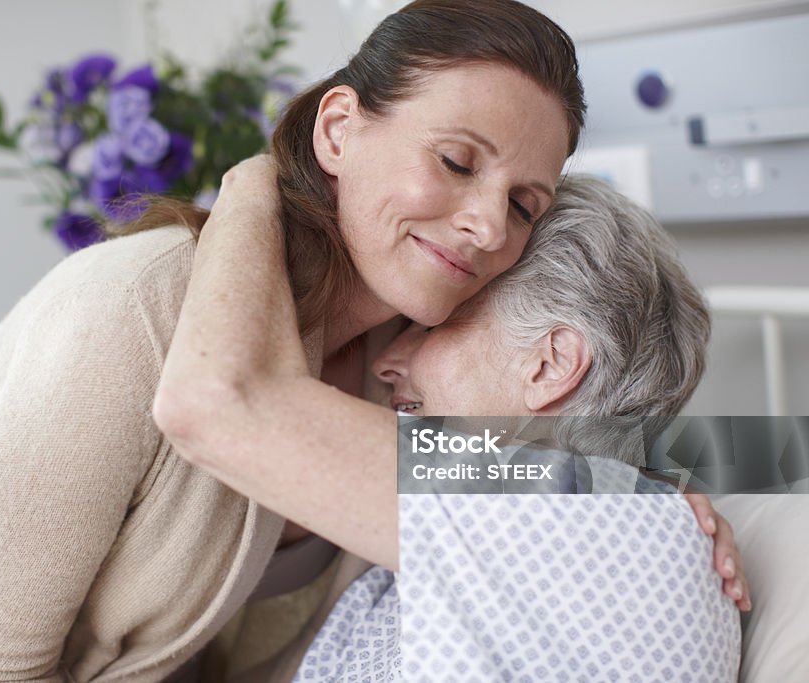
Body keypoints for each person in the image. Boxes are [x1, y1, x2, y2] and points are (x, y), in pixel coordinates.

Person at [0, 1, 742, 682]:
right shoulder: (139, 309)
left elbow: (740, 453)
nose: (488, 226)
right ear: (337, 128)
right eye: (455, 161)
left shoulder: (396, 387)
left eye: (524, 205)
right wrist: (253, 178)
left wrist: (646, 468)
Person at [155, 168, 743, 681]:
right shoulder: (599, 514)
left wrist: (255, 183)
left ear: (550, 363)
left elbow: (215, 400)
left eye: (436, 326)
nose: (387, 360)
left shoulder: (577, 514)